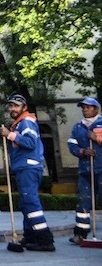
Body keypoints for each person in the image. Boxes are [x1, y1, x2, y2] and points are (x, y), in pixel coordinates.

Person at [0, 94, 54, 251]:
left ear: (24, 107)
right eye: (10, 106)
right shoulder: (20, 124)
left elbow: (29, 143)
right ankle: (30, 236)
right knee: (25, 203)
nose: (12, 109)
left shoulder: (26, 122)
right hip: (26, 167)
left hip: (28, 167)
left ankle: (45, 239)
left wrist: (9, 135)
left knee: (30, 202)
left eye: (16, 106)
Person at [67, 96, 102, 244]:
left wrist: (97, 139)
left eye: (88, 107)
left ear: (96, 109)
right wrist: (82, 151)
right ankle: (81, 233)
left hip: (101, 168)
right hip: (85, 170)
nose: (84, 110)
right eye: (83, 107)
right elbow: (72, 145)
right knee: (83, 202)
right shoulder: (78, 127)